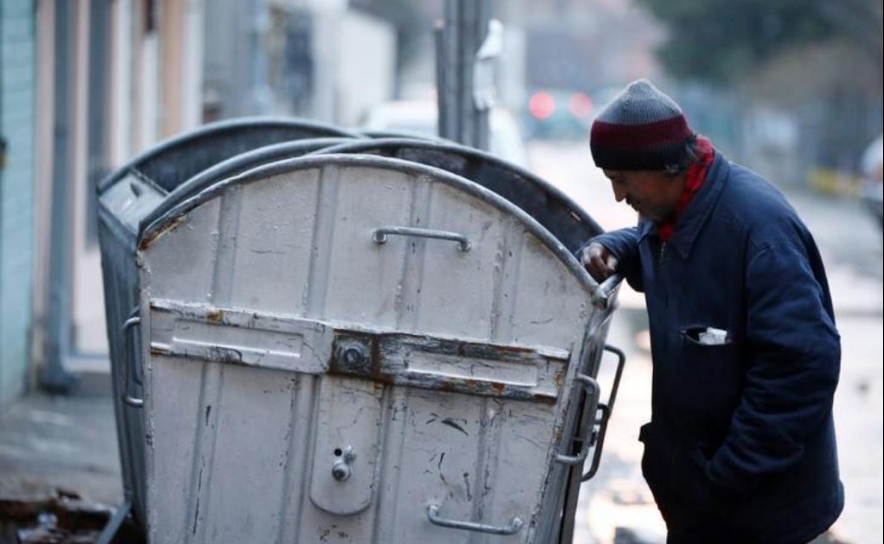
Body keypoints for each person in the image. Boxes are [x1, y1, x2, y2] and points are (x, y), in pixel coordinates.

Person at [580, 79, 843, 544]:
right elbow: (654, 249)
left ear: (664, 165)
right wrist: (612, 247)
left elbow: (803, 364)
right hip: (707, 507)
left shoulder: (757, 230)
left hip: (763, 515)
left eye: (622, 179)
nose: (619, 196)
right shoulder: (671, 211)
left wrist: (729, 473)